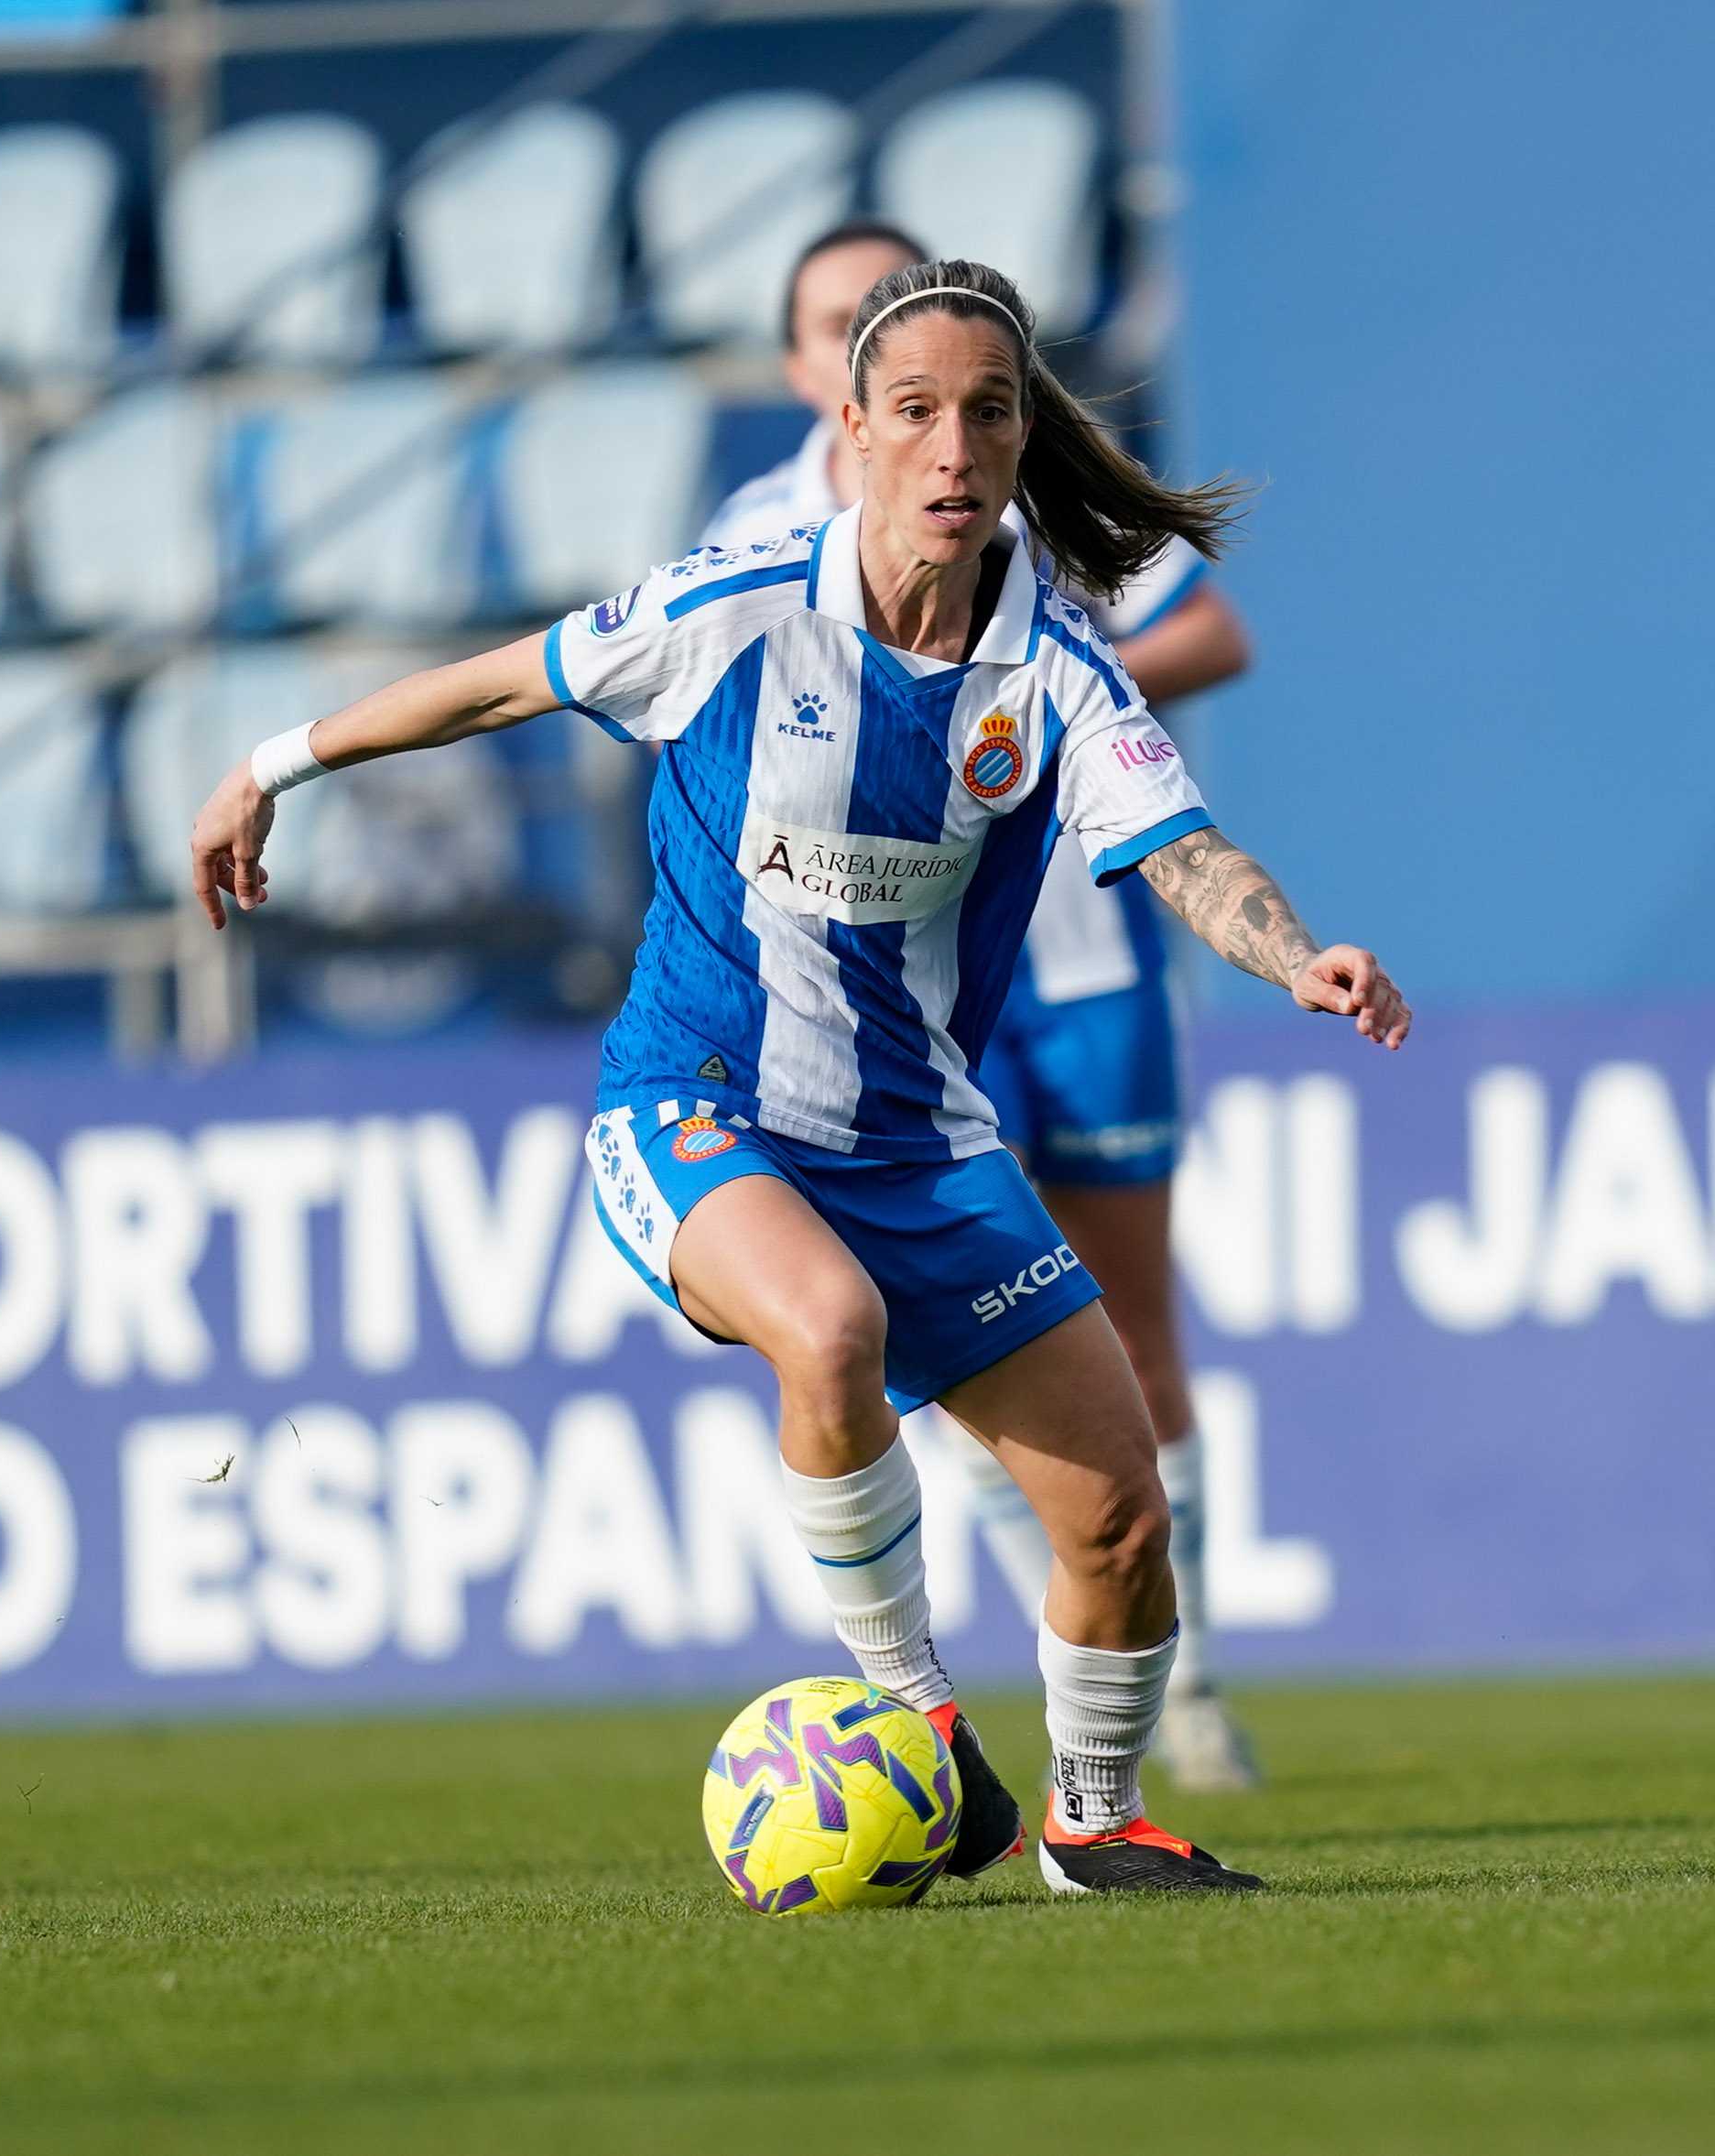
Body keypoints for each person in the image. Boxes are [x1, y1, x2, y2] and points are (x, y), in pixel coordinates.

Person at [191, 257, 1409, 1894]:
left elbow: (1184, 850)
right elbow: (497, 683)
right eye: (917, 411)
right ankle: (920, 1722)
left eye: (989, 413)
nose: (954, 448)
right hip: (695, 1103)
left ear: (1025, 435)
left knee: (1122, 1517)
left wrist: (1299, 953)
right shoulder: (734, 605)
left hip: (921, 1143)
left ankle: (1092, 1819)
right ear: (855, 426)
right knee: (827, 1328)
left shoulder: (1055, 665)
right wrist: (270, 766)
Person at [701, 223, 1266, 1789]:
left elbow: (1211, 626)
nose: (876, 344)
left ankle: (1187, 1674)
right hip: (885, 1006)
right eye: (836, 321)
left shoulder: (1023, 510)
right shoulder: (756, 538)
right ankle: (1049, 1663)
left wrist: (1041, 716)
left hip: (1078, 955)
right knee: (969, 1343)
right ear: (816, 372)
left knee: (1130, 1325)